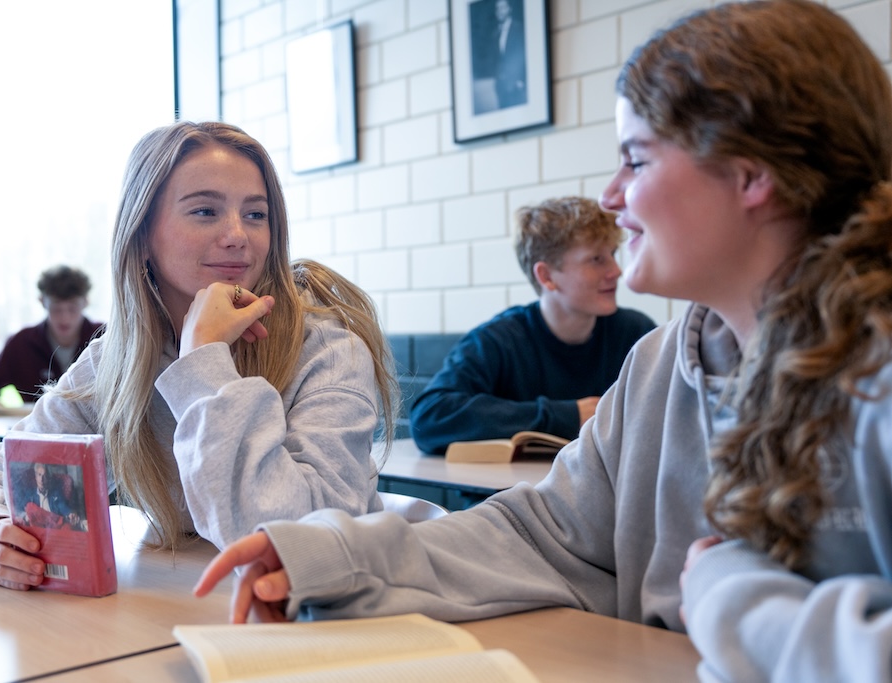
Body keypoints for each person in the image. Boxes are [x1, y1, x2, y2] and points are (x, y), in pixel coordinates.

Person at [195, 2, 892, 681]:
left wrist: (727, 594)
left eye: (635, 160)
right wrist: (336, 556)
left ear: (751, 174)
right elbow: (547, 531)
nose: (612, 195)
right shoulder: (657, 364)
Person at [0, 121, 400, 591]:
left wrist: (203, 360)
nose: (238, 235)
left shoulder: (328, 351)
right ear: (143, 234)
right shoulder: (118, 363)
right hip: (184, 616)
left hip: (317, 627)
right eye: (205, 211)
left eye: (256, 214)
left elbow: (302, 541)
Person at [410, 197, 656, 453]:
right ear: (547, 276)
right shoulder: (498, 340)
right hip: (507, 491)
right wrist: (567, 416)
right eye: (596, 259)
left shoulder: (636, 332)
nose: (616, 271)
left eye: (613, 255)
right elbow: (429, 417)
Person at [0, 265, 104, 413]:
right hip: (37, 432)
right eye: (56, 308)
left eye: (72, 308)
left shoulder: (105, 337)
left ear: (85, 302)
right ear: (42, 302)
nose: (64, 318)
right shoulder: (21, 343)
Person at [492, 0, 526, 109]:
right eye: (497, 9)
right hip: (502, 85)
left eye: (503, 8)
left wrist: (520, 79)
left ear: (509, 9)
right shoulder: (496, 33)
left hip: (516, 84)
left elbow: (522, 55)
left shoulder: (518, 28)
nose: (500, 11)